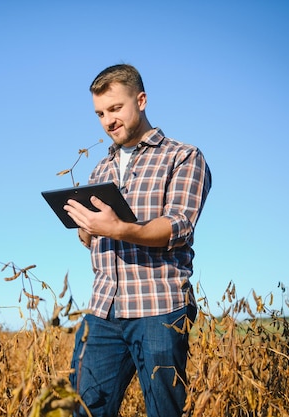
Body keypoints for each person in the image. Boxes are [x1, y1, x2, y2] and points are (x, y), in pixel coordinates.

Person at [64, 64, 211, 417]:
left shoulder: (183, 156)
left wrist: (118, 228)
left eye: (116, 108)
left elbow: (178, 225)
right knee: (80, 410)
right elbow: (95, 239)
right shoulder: (99, 170)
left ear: (141, 100)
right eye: (100, 113)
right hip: (102, 310)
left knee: (163, 412)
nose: (107, 121)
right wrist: (87, 229)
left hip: (159, 308)